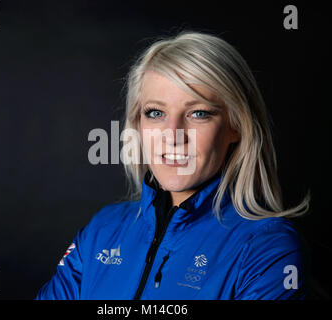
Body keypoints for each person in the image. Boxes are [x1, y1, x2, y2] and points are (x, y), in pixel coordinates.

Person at [35, 31, 311, 300]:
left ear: (235, 126)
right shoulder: (102, 230)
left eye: (198, 113)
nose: (172, 134)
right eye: (156, 113)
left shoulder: (267, 249)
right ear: (137, 125)